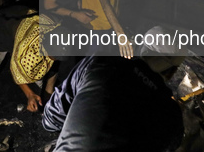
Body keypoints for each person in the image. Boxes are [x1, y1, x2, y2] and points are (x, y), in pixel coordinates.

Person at [42, 52, 184, 152]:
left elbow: (50, 118)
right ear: (172, 72)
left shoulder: (102, 61)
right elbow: (170, 145)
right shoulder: (173, 116)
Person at [0, 8, 60, 113]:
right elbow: (16, 71)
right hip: (2, 29)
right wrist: (29, 94)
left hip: (21, 20)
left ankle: (43, 105)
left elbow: (51, 73)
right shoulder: (28, 53)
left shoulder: (60, 33)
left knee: (40, 75)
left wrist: (46, 97)